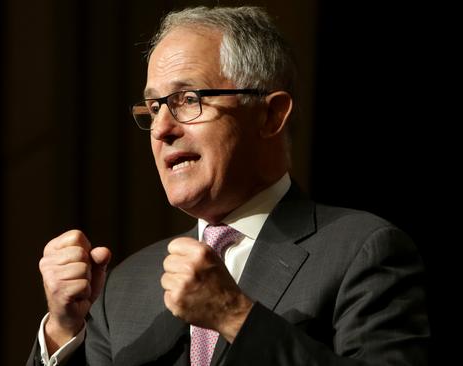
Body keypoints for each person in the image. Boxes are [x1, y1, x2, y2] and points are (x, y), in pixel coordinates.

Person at [27, 6, 429, 366]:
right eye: (153, 107)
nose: (163, 128)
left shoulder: (362, 250)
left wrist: (235, 316)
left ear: (270, 116)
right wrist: (63, 330)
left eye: (187, 99)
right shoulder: (124, 287)